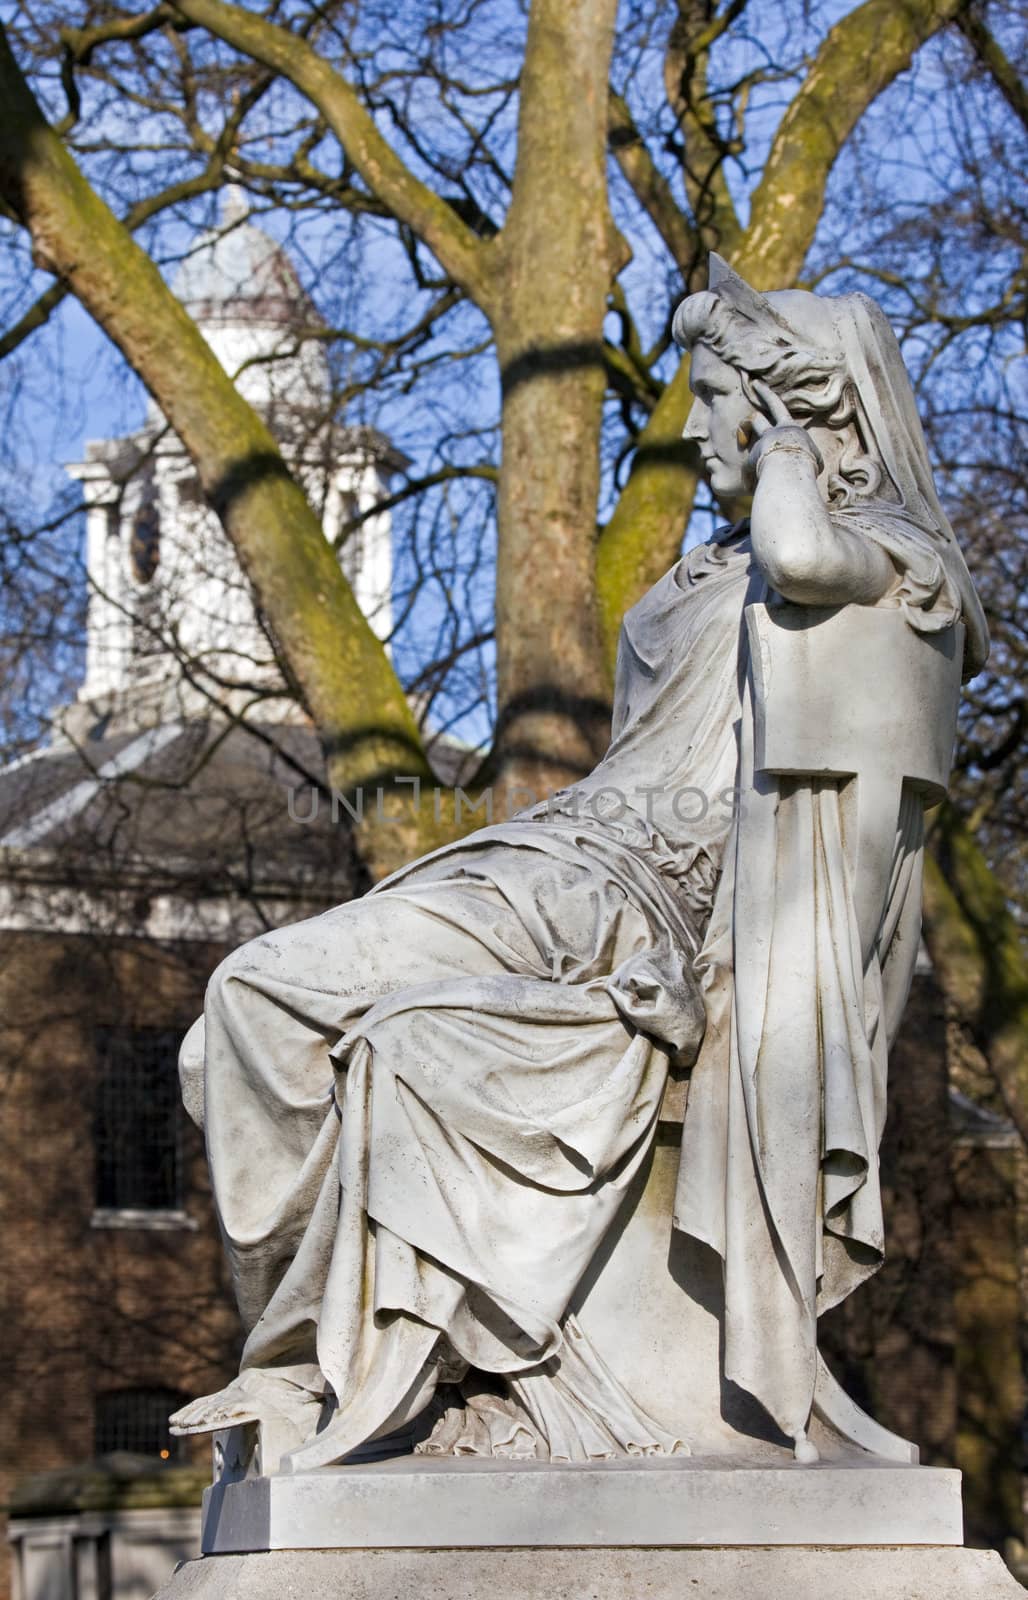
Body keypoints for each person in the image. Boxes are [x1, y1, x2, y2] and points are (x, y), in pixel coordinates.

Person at [171, 256, 987, 1470]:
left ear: (785, 412)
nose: (693, 424)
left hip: (629, 900)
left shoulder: (889, 558)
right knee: (244, 1005)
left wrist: (786, 449)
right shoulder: (710, 570)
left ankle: (302, 1372)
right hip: (555, 855)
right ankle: (295, 1368)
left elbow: (808, 559)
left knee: (274, 995)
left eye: (714, 397)